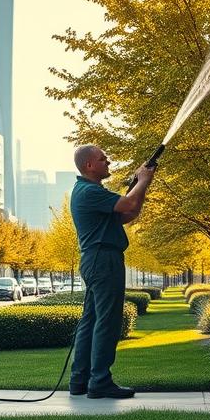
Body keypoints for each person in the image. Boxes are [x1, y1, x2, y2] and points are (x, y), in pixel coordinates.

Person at [68, 145, 155, 399]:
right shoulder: (89, 191)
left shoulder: (91, 192)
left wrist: (142, 184)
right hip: (103, 259)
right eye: (102, 159)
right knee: (107, 320)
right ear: (89, 166)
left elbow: (129, 211)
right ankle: (100, 382)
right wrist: (143, 180)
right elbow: (128, 202)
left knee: (92, 320)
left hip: (97, 259)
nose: (108, 161)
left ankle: (80, 381)